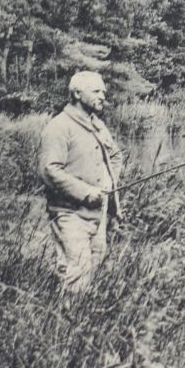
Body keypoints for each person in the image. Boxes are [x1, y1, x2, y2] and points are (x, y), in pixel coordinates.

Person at [39, 70, 123, 293]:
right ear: (77, 93)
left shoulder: (98, 124)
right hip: (69, 214)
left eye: (103, 91)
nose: (103, 96)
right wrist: (85, 191)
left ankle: (82, 322)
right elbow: (49, 171)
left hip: (98, 213)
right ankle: (64, 322)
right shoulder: (58, 127)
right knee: (76, 273)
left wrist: (108, 184)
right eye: (96, 91)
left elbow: (115, 156)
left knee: (94, 267)